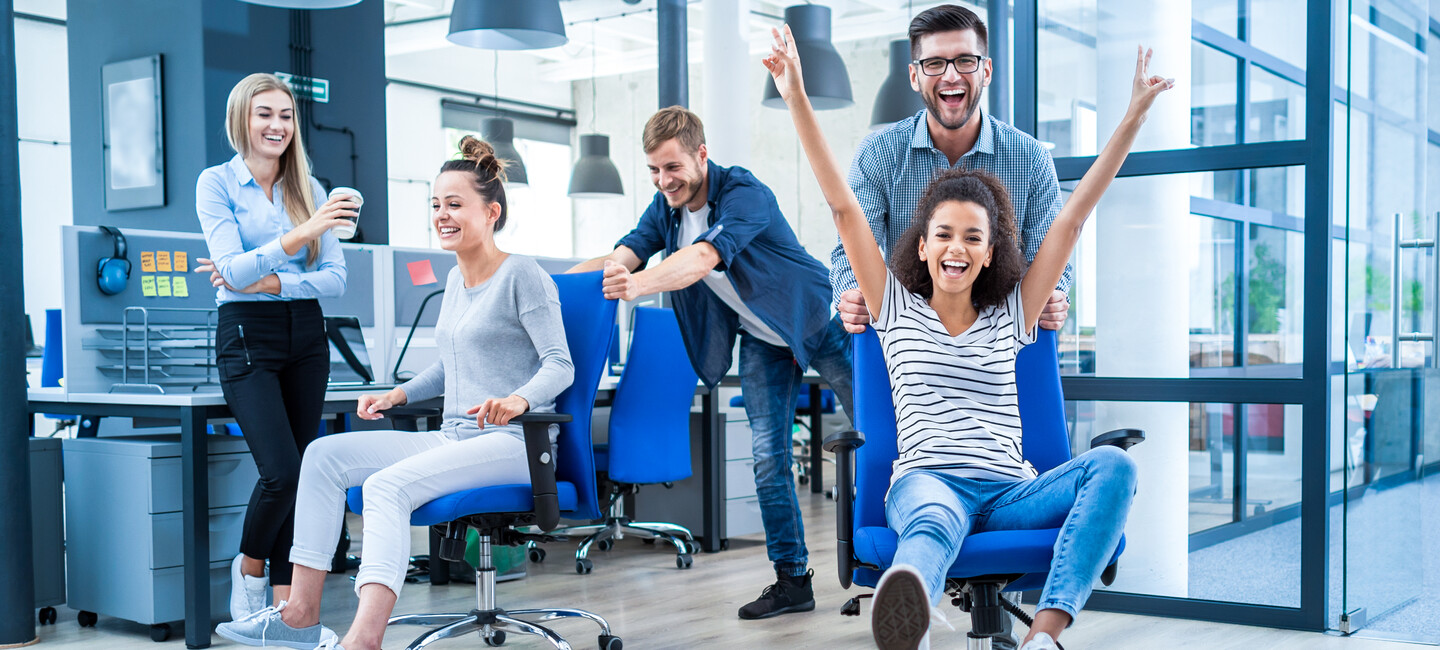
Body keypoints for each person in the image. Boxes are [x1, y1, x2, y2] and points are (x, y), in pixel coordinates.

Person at [765, 22, 1172, 650]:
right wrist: (793, 93)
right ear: (921, 246)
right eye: (944, 235)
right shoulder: (891, 307)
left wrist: (1134, 117)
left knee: (1114, 466)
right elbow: (845, 208)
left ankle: (1045, 631)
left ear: (990, 255)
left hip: (1010, 488)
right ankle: (913, 620)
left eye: (974, 238)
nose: (957, 247)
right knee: (929, 522)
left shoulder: (1014, 313)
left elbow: (1071, 217)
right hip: (930, 481)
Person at [215, 136, 574, 650]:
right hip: (455, 438)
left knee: (385, 488)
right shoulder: (454, 281)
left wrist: (518, 399)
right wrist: (398, 395)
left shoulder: (524, 275)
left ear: (492, 211)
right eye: (435, 205)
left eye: (455, 204)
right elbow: (450, 367)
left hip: (513, 444)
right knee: (320, 457)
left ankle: (364, 640)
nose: (442, 215)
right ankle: (299, 615)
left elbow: (560, 364)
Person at [567, 106, 853, 620]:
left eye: (672, 168)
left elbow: (702, 258)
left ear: (701, 154)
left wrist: (637, 286)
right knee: (769, 459)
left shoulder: (744, 193)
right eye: (653, 170)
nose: (663, 180)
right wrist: (552, 287)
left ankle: (913, 550)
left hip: (815, 319)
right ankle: (793, 581)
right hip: (763, 341)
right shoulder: (665, 209)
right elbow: (624, 255)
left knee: (889, 429)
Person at [195, 72, 352, 622]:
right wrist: (299, 236)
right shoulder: (215, 183)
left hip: (306, 333)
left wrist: (273, 281)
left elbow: (336, 278)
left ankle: (285, 605)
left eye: (285, 115)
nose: (277, 126)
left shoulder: (310, 186)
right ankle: (251, 567)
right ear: (242, 119)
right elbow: (230, 273)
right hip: (247, 335)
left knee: (306, 471)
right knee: (282, 470)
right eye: (265, 114)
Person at [832, 4, 1072, 338]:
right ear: (915, 76)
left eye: (965, 60)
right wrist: (851, 294)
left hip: (1004, 342)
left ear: (986, 70)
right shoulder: (878, 153)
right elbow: (852, 249)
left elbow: (1050, 252)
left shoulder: (1030, 157)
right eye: (934, 63)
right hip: (906, 341)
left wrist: (1055, 294)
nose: (950, 76)